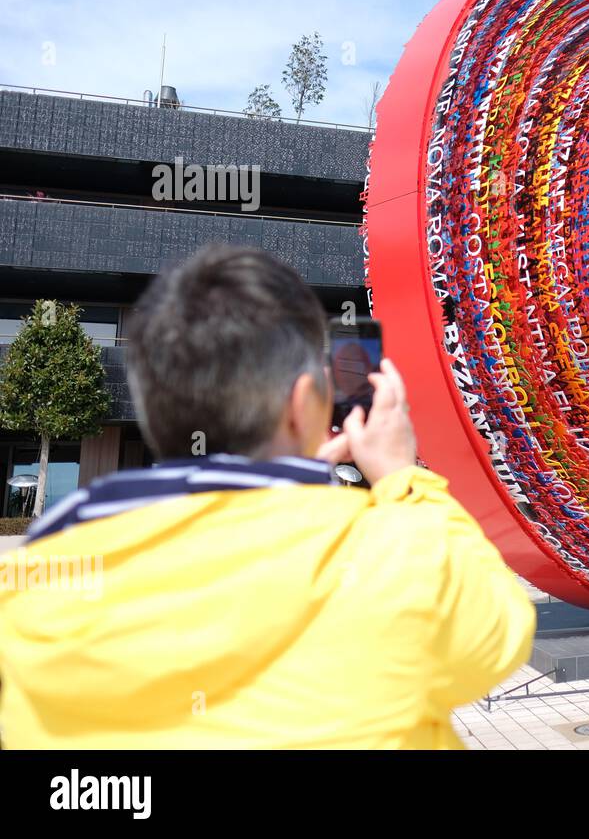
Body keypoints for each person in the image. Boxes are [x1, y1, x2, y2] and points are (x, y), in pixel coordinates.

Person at [0, 245, 536, 748]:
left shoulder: (32, 582)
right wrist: (400, 476)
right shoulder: (385, 555)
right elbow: (499, 634)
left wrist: (287, 479)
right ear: (304, 404)